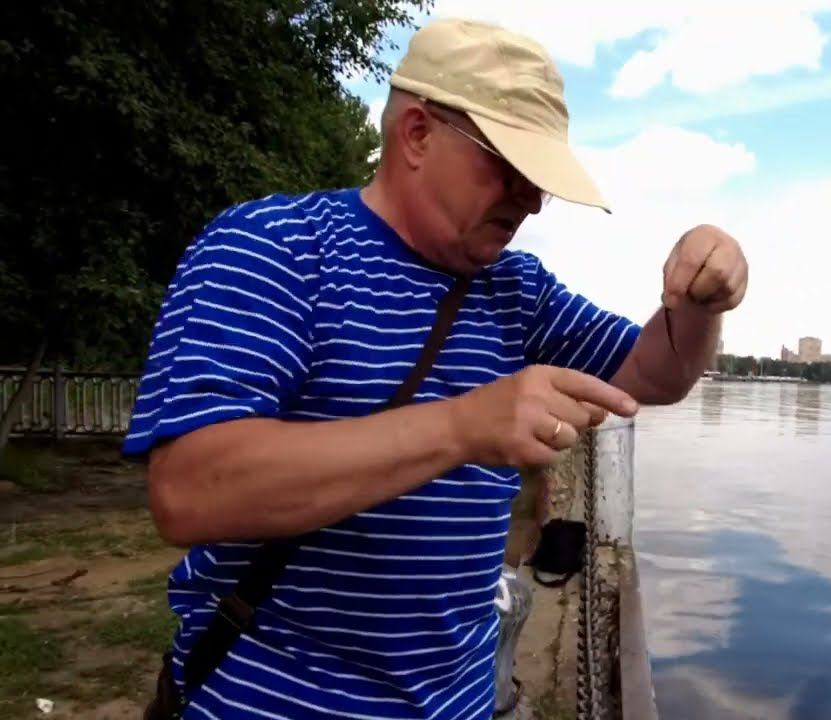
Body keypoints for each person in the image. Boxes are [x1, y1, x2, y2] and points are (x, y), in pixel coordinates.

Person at [124, 16, 748, 720]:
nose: (532, 199)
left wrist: (701, 302)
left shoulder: (518, 290)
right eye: (510, 167)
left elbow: (657, 376)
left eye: (540, 180)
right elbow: (189, 491)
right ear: (417, 134)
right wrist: (461, 428)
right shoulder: (273, 248)